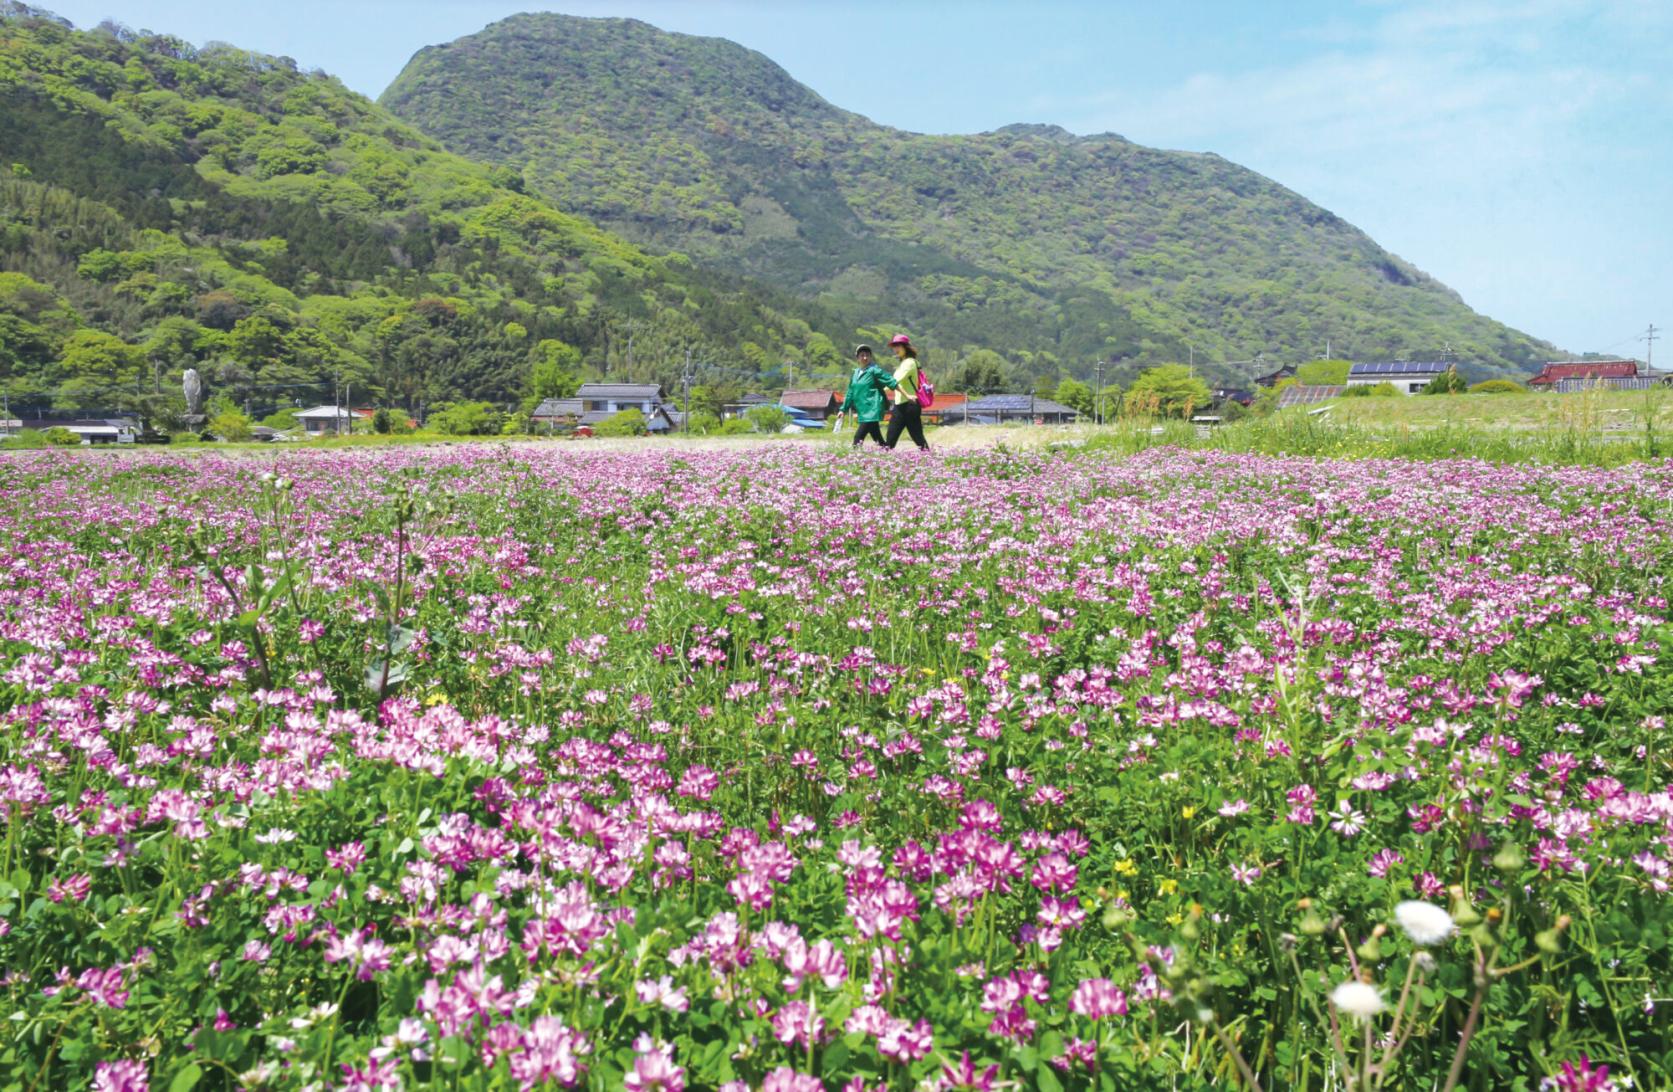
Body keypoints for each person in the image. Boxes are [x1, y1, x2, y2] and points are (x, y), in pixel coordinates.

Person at [839, 344, 897, 448]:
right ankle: (888, 454)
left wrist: (906, 394)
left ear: (870, 357)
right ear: (857, 358)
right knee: (877, 438)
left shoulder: (874, 370)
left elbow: (891, 381)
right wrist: (843, 409)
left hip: (872, 409)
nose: (865, 357)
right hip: (863, 410)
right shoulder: (855, 373)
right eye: (862, 355)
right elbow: (850, 392)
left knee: (858, 438)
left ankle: (854, 460)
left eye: (867, 355)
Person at [884, 334, 929, 450]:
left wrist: (875, 390)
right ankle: (931, 458)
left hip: (909, 405)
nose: (895, 349)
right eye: (894, 346)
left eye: (898, 346)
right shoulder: (905, 363)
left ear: (905, 347)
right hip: (902, 405)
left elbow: (894, 382)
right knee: (892, 438)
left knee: (915, 437)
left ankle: (931, 460)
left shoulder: (909, 363)